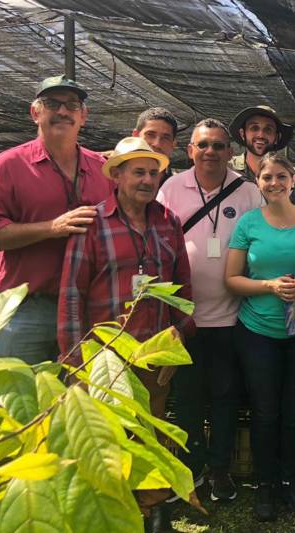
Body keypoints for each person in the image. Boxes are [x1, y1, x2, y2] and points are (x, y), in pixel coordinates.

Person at [56, 136, 194, 532]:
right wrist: (74, 363)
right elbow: (71, 296)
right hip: (103, 359)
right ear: (116, 175)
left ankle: (154, 512)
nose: (147, 179)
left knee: (150, 432)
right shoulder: (91, 223)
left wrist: (177, 342)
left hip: (152, 354)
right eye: (138, 172)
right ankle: (108, 514)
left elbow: (183, 292)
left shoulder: (169, 222)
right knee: (103, 440)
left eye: (153, 172)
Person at [156, 118, 262, 502]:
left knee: (225, 396)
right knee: (187, 399)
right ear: (190, 150)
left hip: (233, 317)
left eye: (219, 145)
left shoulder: (248, 192)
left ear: (230, 152)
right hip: (184, 319)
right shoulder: (170, 188)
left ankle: (220, 469)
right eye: (203, 145)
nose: (211, 152)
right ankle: (190, 470)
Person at [0, 75, 112, 363]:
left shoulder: (102, 169)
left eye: (72, 105)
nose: (62, 111)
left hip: (86, 311)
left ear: (83, 116)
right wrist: (51, 228)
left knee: (79, 403)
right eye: (52, 104)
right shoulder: (10, 165)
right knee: (19, 402)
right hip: (24, 310)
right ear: (35, 113)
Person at [225, 152, 295, 521]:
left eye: (281, 176)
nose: (274, 183)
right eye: (267, 178)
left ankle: (291, 480)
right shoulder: (248, 223)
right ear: (257, 183)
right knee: (265, 411)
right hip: (257, 331)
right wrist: (268, 285)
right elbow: (231, 279)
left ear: (294, 180)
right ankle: (265, 484)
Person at [228, 105, 294, 182]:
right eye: (254, 128)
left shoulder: (292, 175)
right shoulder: (226, 168)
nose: (261, 135)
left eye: (268, 129)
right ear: (242, 134)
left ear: (276, 137)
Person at [133, 107, 178, 185]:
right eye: (150, 135)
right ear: (135, 136)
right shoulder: (111, 174)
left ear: (173, 144)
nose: (157, 144)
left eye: (165, 138)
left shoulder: (177, 187)